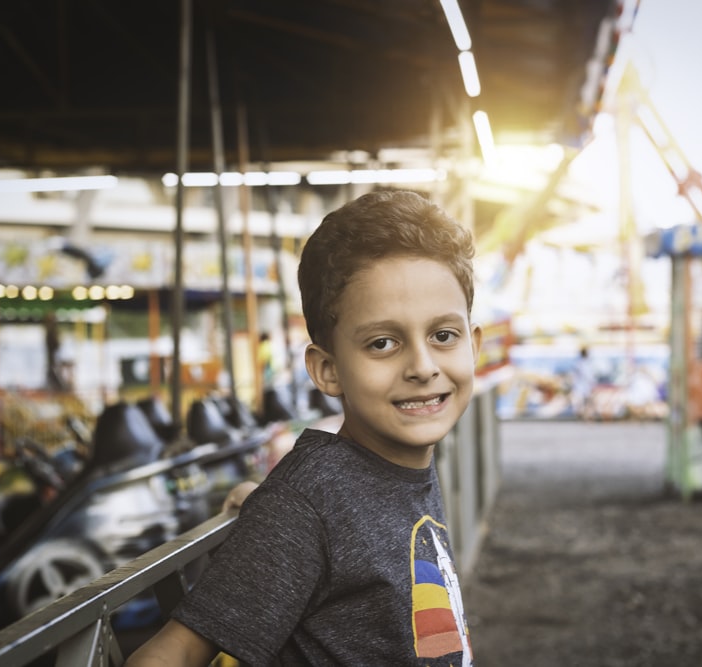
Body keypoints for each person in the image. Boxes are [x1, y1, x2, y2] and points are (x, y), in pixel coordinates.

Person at [126, 190, 481, 666]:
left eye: (443, 335)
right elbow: (168, 656)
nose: (422, 366)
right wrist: (280, 512)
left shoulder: (374, 475)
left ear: (473, 346)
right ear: (327, 369)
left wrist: (277, 509)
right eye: (382, 343)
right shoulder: (306, 506)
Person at [569, 345, 597, 419]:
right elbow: (590, 375)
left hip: (581, 385)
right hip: (584, 385)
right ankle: (586, 414)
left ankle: (584, 414)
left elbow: (574, 374)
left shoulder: (578, 362)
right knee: (586, 400)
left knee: (582, 401)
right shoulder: (586, 362)